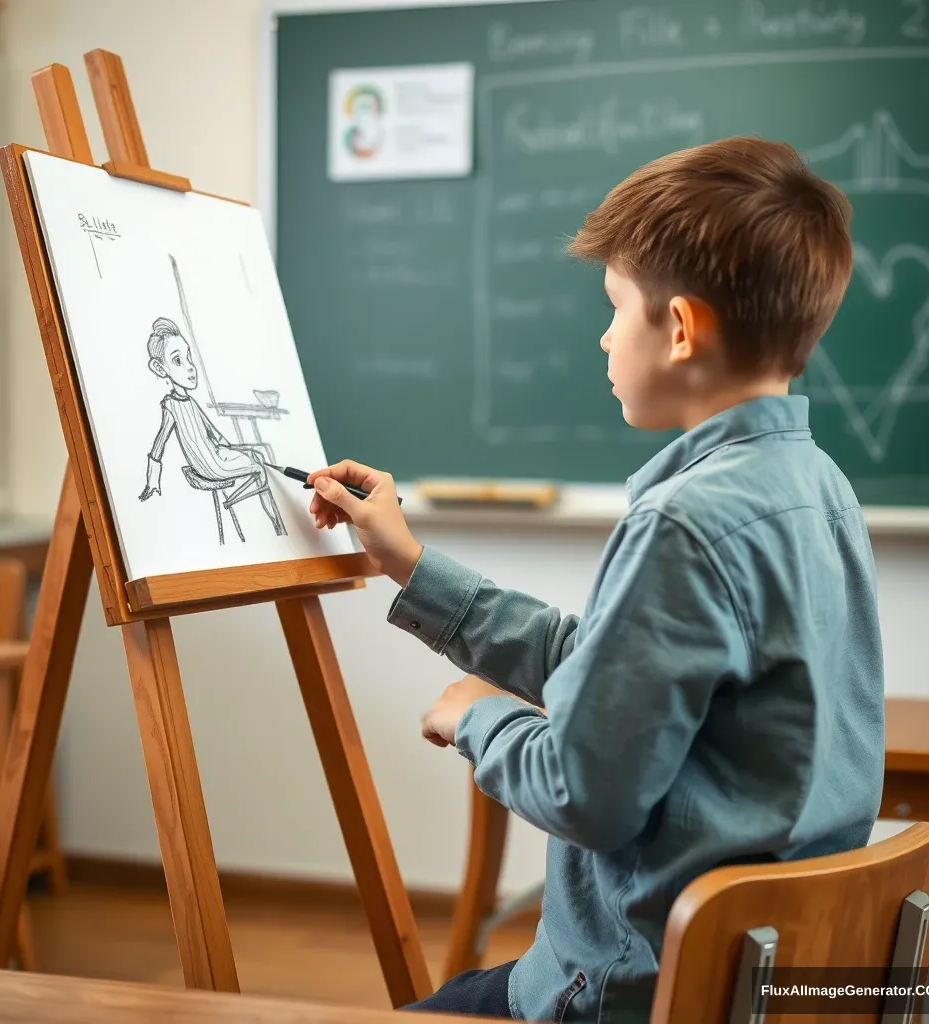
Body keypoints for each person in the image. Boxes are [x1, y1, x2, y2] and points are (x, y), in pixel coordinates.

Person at [305, 138, 884, 1022]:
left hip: (630, 991)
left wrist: (478, 716)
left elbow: (587, 797)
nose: (605, 334)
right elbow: (608, 667)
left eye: (616, 307)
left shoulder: (681, 523)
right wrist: (410, 566)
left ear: (682, 328)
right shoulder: (820, 490)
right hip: (767, 983)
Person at [140, 317, 284, 535]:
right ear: (160, 368)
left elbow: (214, 435)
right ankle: (277, 524)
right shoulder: (171, 406)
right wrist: (153, 481)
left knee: (257, 452)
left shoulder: (189, 402)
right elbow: (159, 444)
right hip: (211, 465)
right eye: (178, 360)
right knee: (259, 466)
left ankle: (276, 522)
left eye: (188, 357)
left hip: (215, 457)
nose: (190, 368)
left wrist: (234, 449)